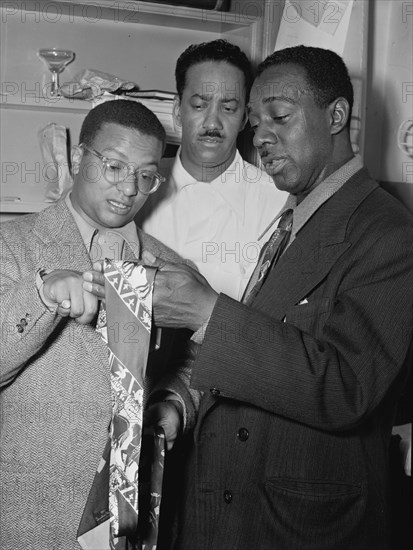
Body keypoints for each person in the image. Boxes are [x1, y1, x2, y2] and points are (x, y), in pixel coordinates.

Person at [129, 46, 413, 549]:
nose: (260, 136)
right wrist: (179, 402)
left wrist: (206, 312)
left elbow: (346, 387)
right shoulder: (293, 220)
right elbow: (262, 357)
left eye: (278, 117)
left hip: (303, 524)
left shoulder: (388, 232)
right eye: (257, 121)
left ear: (337, 117)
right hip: (229, 508)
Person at [0, 100, 197, 550]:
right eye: (113, 166)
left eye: (146, 175)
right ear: (77, 159)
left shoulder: (174, 271)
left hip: (138, 524)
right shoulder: (10, 246)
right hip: (29, 521)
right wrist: (42, 293)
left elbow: (198, 359)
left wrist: (177, 402)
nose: (129, 188)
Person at [136, 39, 286, 300]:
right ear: (177, 111)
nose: (213, 122)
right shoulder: (135, 186)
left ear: (244, 119)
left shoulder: (278, 204)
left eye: (228, 108)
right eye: (199, 105)